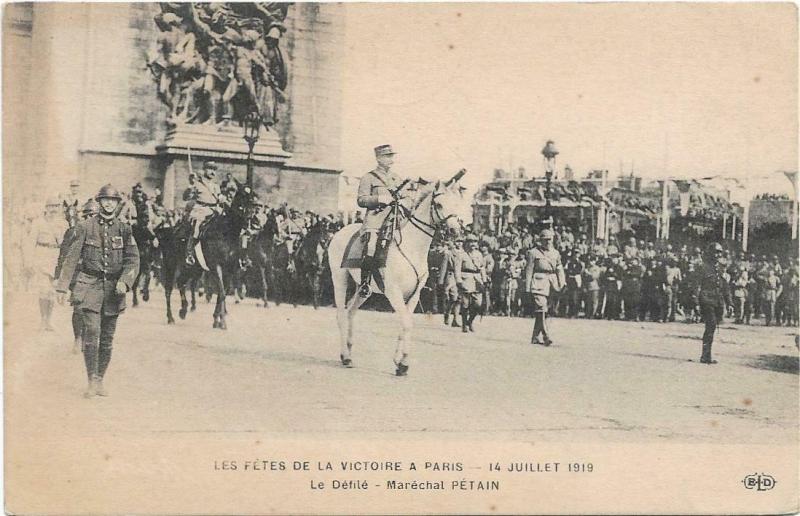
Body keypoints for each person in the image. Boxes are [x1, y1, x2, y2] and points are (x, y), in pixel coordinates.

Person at [55, 185, 139, 397]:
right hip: (89, 286)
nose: (109, 203)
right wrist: (62, 287)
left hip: (114, 291)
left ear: (117, 203)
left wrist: (125, 282)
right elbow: (71, 257)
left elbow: (133, 260)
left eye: (112, 200)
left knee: (108, 339)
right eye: (105, 200)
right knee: (92, 333)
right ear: (99, 202)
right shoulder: (85, 226)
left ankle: (100, 378)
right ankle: (91, 379)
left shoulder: (124, 229)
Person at [356, 144, 411, 296]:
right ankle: (365, 283)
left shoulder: (396, 178)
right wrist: (380, 198)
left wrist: (404, 200)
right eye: (387, 156)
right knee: (372, 247)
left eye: (391, 156)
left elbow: (407, 196)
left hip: (394, 219)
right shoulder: (369, 177)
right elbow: (361, 200)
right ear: (378, 158)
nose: (391, 159)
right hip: (375, 221)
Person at [55, 199, 100, 353]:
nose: (90, 218)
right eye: (87, 215)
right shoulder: (73, 231)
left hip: (96, 277)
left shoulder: (102, 233)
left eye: (93, 215)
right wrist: (60, 279)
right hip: (78, 275)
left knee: (95, 310)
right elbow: (64, 256)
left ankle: (90, 338)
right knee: (79, 309)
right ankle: (77, 338)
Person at [25, 198, 67, 331]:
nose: (53, 209)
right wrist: (29, 261)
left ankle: (48, 320)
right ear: (46, 208)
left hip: (56, 257)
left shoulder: (63, 223)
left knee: (52, 291)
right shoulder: (38, 223)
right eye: (51, 206)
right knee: (43, 290)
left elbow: (66, 244)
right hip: (42, 255)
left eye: (56, 206)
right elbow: (30, 242)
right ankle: (43, 320)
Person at [524, 229, 565, 345]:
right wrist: (527, 288)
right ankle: (546, 335)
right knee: (541, 308)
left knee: (545, 311)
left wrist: (562, 283)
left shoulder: (556, 253)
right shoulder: (533, 253)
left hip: (552, 283)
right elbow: (529, 270)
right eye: (545, 240)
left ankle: (535, 337)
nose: (548, 242)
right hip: (538, 282)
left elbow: (559, 268)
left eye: (550, 239)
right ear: (540, 240)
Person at [695, 242, 729, 364]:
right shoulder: (703, 267)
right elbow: (697, 286)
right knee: (711, 325)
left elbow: (725, 286)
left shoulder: (720, 268)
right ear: (710, 253)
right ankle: (705, 356)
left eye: (720, 252)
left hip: (717, 302)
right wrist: (696, 302)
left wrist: (729, 302)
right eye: (716, 252)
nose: (718, 254)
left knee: (712, 327)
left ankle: (707, 355)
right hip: (706, 300)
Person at [185, 161, 223, 264]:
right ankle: (190, 253)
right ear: (204, 170)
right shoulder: (197, 183)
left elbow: (219, 197)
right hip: (200, 209)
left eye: (214, 169)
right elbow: (186, 197)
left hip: (214, 210)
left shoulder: (216, 186)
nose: (212, 172)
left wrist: (222, 199)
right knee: (196, 228)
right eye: (210, 169)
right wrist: (190, 185)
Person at [454, 233, 486, 333]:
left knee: (478, 304)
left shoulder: (479, 254)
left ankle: (469, 321)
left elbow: (482, 268)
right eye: (470, 242)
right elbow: (457, 269)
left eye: (475, 242)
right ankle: (464, 325)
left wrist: (484, 280)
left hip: (477, 280)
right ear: (466, 243)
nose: (473, 244)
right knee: (465, 304)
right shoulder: (461, 255)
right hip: (466, 279)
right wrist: (458, 280)